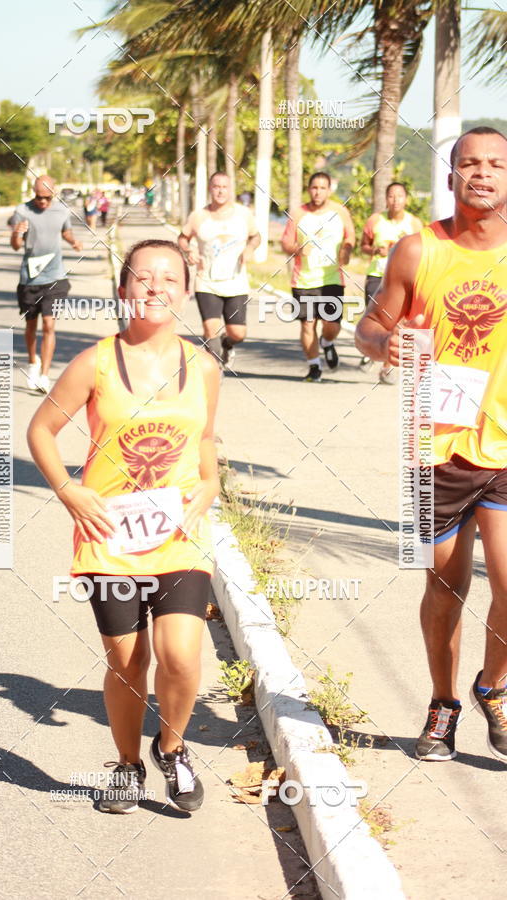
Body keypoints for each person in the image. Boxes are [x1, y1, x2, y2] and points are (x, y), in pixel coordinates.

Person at [27, 238, 220, 813]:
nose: (155, 288)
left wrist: (209, 488)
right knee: (127, 660)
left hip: (177, 536)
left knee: (181, 654)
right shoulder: (95, 363)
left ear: (185, 292)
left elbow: (206, 447)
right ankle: (128, 765)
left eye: (168, 279)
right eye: (142, 278)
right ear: (123, 290)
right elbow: (41, 431)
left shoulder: (204, 366)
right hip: (109, 540)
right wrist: (68, 490)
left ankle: (173, 748)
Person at [355, 127, 507, 762]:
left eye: (497, 164)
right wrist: (383, 343)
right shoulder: (417, 251)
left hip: (504, 447)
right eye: (469, 163)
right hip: (432, 446)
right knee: (444, 592)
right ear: (451, 176)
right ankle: (443, 704)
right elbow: (369, 324)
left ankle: (493, 688)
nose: (482, 173)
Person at [178, 172, 260, 368]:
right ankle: (215, 371)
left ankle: (227, 343)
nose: (220, 191)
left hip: (236, 282)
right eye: (216, 186)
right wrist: (189, 250)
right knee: (210, 329)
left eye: (224, 187)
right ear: (210, 189)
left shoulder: (243, 214)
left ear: (230, 189)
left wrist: (250, 248)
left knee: (238, 333)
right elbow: (183, 238)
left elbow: (256, 237)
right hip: (206, 281)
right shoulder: (199, 216)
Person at [10, 175, 82, 393]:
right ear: (33, 193)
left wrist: (73, 241)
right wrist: (17, 233)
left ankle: (44, 376)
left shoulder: (61, 210)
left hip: (55, 277)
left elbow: (65, 231)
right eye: (38, 197)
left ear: (54, 193)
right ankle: (33, 363)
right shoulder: (22, 211)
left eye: (47, 198)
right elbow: (15, 246)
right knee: (31, 325)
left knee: (49, 325)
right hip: (30, 279)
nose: (42, 202)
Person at [281, 172, 355, 381]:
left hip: (331, 278)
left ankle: (327, 342)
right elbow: (285, 242)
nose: (318, 192)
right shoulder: (298, 214)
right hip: (303, 279)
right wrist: (297, 249)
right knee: (307, 323)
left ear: (329, 190)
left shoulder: (340, 212)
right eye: (314, 187)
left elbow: (350, 235)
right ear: (309, 189)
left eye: (322, 188)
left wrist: (347, 250)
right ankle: (314, 367)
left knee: (331, 325)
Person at [360, 182, 423, 383]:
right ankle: (372, 349)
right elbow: (363, 246)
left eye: (400, 196)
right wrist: (375, 251)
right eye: (391, 196)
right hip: (377, 276)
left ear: (406, 199)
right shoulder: (375, 220)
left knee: (396, 322)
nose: (395, 200)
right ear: (385, 199)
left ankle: (387, 366)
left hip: (403, 279)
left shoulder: (414, 224)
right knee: (376, 319)